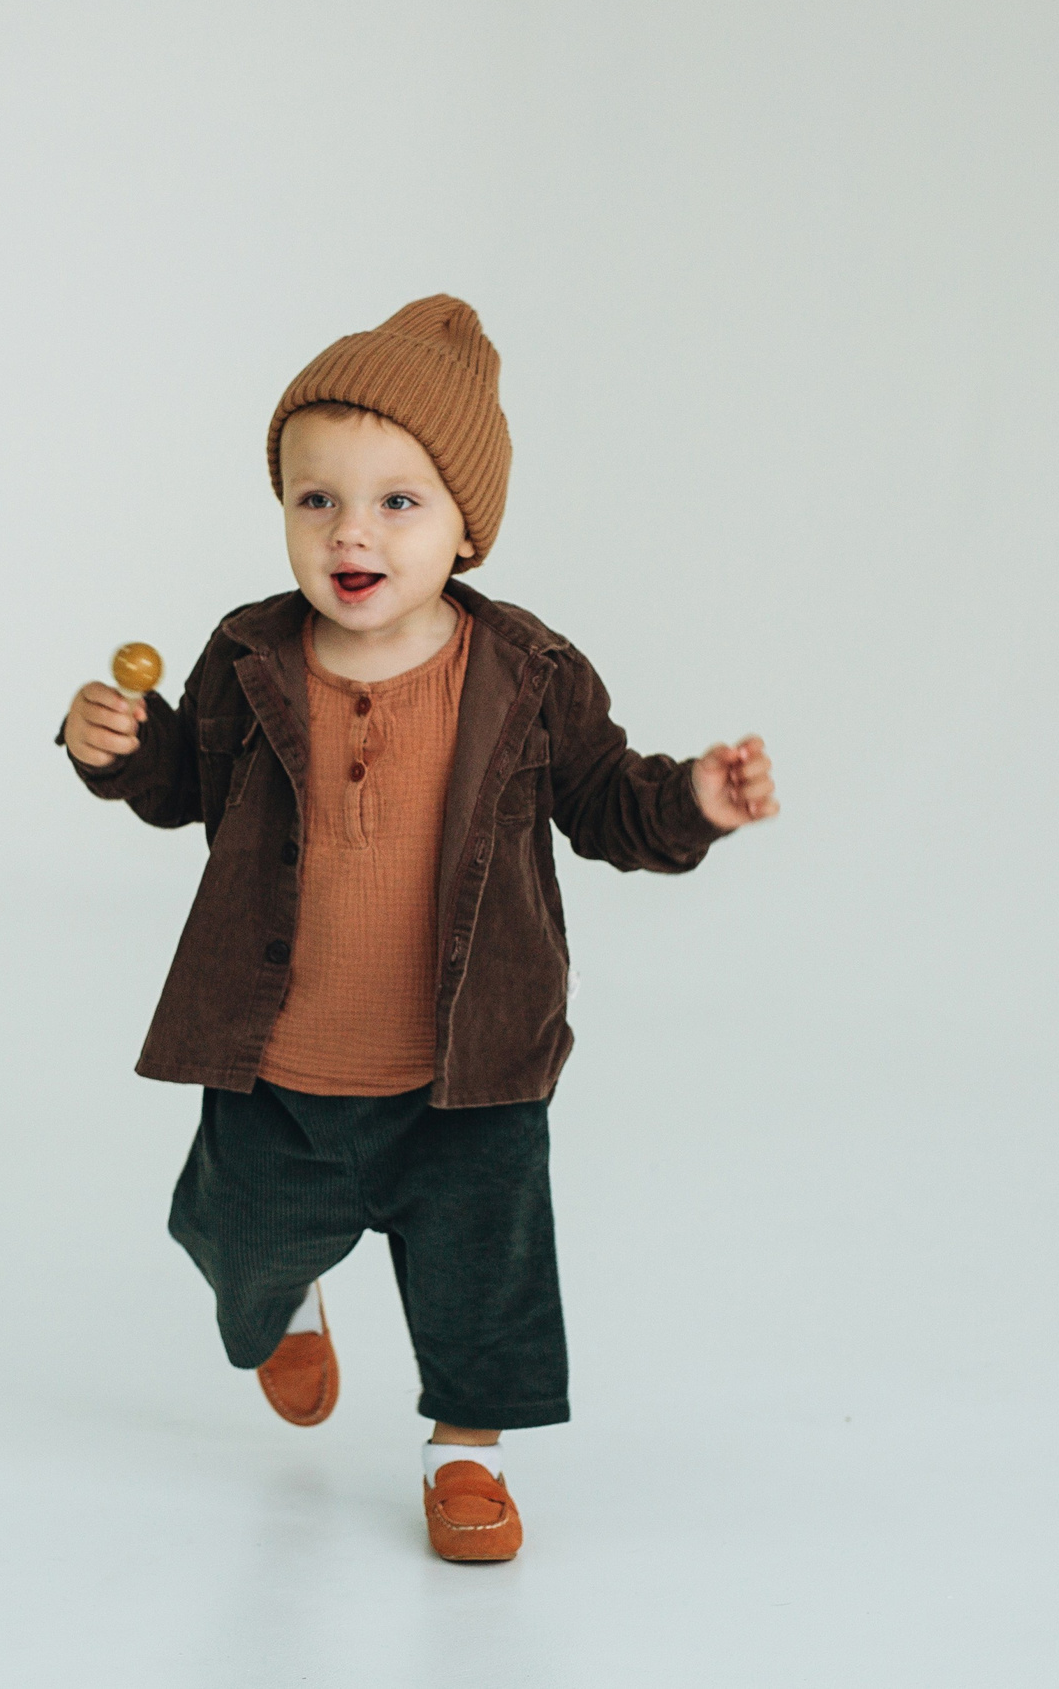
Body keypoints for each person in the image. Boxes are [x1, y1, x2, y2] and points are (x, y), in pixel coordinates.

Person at [58, 295, 778, 1560]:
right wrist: (123, 749)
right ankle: (280, 1299)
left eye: (400, 501)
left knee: (481, 1284)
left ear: (465, 527)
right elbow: (189, 790)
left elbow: (608, 803)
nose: (352, 533)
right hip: (278, 1061)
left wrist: (694, 802)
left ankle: (464, 1458)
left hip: (467, 1070)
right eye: (315, 498)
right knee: (237, 1247)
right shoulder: (248, 654)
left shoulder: (529, 674)